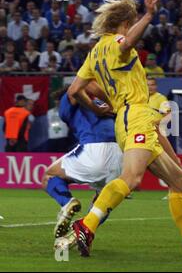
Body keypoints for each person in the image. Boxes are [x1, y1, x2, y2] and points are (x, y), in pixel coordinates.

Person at [67, 0, 182, 256]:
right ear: (125, 23)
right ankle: (87, 225)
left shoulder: (93, 54)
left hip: (130, 118)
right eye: (133, 20)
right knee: (131, 178)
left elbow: (75, 90)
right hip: (134, 114)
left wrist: (98, 108)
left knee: (178, 180)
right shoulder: (117, 41)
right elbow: (126, 43)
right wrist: (150, 14)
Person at [42, 84, 123, 239]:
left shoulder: (67, 104)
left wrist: (81, 82)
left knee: (49, 176)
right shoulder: (106, 104)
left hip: (94, 148)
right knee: (103, 198)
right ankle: (84, 231)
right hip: (120, 155)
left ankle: (67, 202)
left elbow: (74, 91)